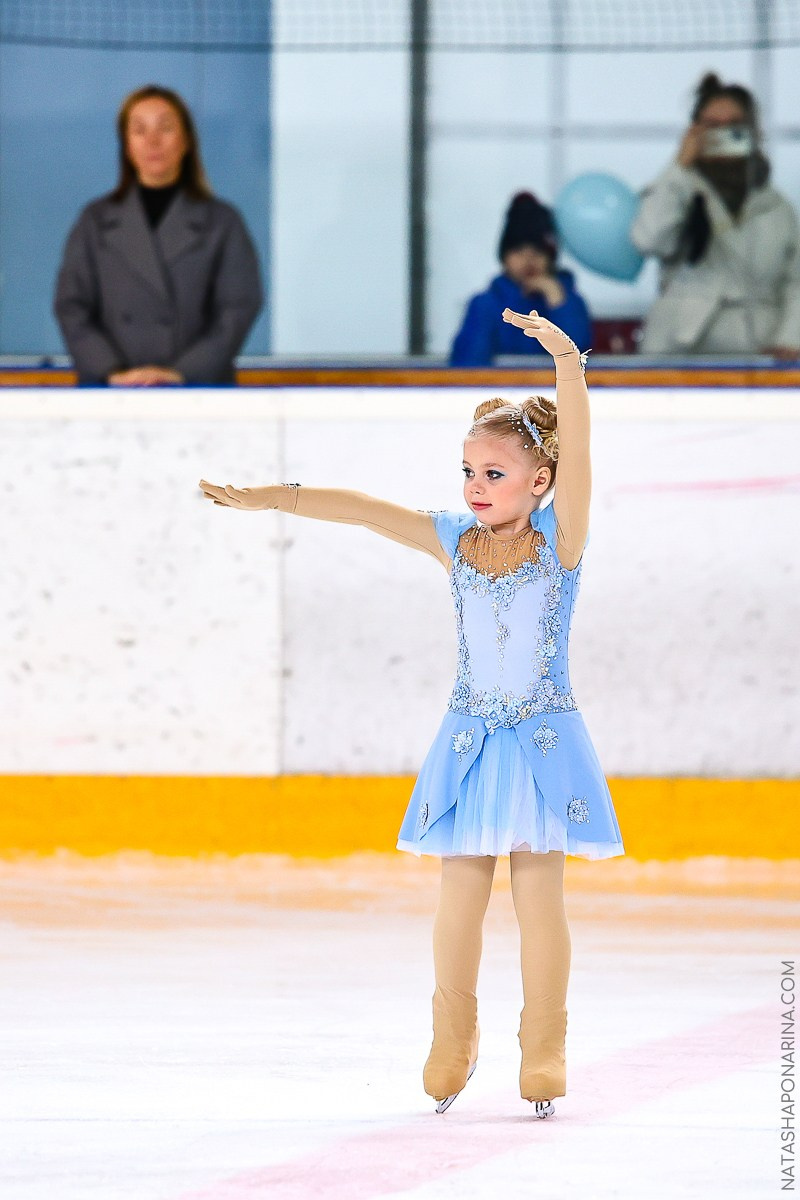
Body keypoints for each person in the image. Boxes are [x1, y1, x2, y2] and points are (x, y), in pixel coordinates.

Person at [199, 312, 624, 1118]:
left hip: (540, 742)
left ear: (540, 482)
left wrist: (569, 363)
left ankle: (545, 1048)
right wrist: (274, 498)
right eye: (468, 469)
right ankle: (451, 1041)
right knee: (456, 902)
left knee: (541, 903)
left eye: (494, 473)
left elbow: (583, 453)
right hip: (467, 747)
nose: (475, 485)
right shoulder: (451, 539)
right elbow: (361, 508)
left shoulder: (562, 542)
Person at [54, 85, 263, 385]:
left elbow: (239, 306)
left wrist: (181, 373)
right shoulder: (94, 221)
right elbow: (71, 306)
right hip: (111, 393)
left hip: (198, 392)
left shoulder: (222, 222)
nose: (153, 141)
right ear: (126, 145)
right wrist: (112, 373)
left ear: (186, 140)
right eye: (139, 130)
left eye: (165, 128)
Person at [631, 71, 800, 358]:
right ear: (694, 132)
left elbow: (795, 283)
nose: (723, 135)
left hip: (760, 348)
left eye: (734, 126)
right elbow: (648, 240)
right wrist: (679, 168)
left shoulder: (778, 209)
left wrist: (790, 340)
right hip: (679, 346)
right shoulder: (675, 189)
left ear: (754, 132)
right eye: (712, 126)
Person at [449, 192, 592, 366]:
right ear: (505, 257)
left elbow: (578, 364)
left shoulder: (571, 303)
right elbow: (467, 367)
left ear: (550, 258)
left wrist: (558, 301)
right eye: (518, 251)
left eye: (538, 251)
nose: (528, 260)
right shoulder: (486, 305)